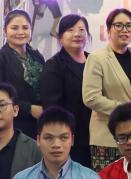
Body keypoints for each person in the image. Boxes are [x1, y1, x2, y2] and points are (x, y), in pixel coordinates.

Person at [82, 8, 131, 170]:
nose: (124, 30)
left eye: (129, 26)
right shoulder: (97, 58)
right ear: (108, 30)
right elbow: (91, 97)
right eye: (118, 25)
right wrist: (126, 111)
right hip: (108, 137)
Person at [39, 13, 94, 168]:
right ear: (60, 37)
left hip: (97, 136)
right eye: (70, 30)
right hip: (72, 139)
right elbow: (52, 107)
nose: (77, 34)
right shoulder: (54, 66)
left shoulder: (95, 61)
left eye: (82, 30)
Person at [0, 9, 47, 137]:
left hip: (40, 123)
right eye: (14, 28)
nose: (20, 32)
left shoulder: (37, 56)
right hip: (14, 123)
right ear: (5, 31)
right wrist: (28, 109)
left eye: (25, 27)